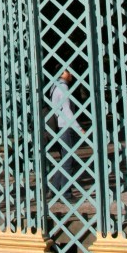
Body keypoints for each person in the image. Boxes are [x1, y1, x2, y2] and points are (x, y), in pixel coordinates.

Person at [50, 69, 79, 200]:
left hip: (60, 126)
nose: (71, 74)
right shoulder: (63, 88)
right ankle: (65, 193)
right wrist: (78, 127)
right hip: (66, 126)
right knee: (68, 161)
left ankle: (55, 188)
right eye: (68, 72)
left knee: (65, 160)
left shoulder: (54, 86)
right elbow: (67, 110)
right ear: (61, 73)